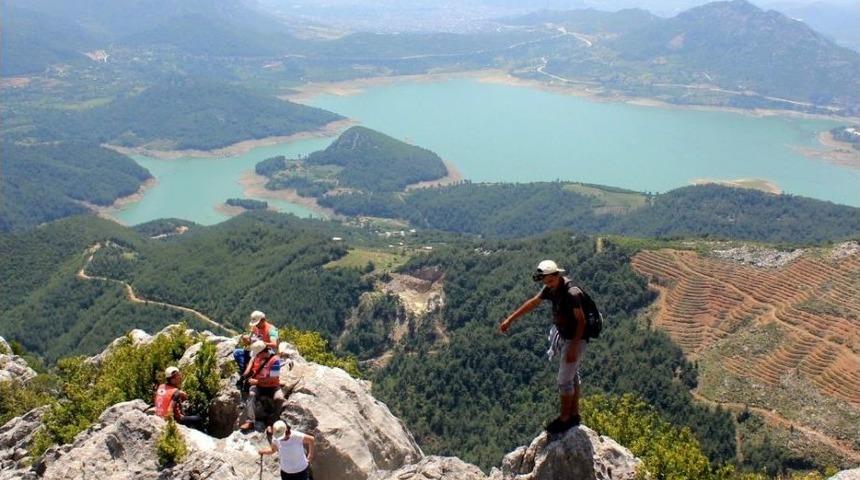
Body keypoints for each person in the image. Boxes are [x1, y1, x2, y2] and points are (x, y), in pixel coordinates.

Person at [499, 260, 588, 434]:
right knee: (572, 375)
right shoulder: (551, 289)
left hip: (576, 338)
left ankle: (564, 420)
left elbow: (582, 321)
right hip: (565, 334)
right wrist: (510, 319)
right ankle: (574, 414)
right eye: (545, 282)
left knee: (564, 381)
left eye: (550, 281)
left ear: (557, 275)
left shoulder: (571, 293)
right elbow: (533, 302)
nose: (548, 285)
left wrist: (573, 348)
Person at [239, 340, 284, 430]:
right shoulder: (257, 358)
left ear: (263, 352)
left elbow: (273, 379)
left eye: (257, 354)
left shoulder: (275, 361)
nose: (256, 356)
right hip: (259, 385)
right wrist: (246, 375)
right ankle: (250, 421)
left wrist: (257, 382)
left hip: (272, 386)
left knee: (279, 399)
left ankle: (271, 423)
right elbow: (253, 366)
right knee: (251, 395)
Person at [234, 310, 280, 383]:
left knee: (253, 358)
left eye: (257, 323)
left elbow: (274, 344)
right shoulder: (255, 327)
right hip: (256, 349)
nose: (256, 325)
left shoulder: (271, 330)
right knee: (237, 353)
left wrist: (263, 343)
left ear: (263, 320)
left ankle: (251, 373)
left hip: (267, 352)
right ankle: (248, 372)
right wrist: (246, 340)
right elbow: (250, 341)